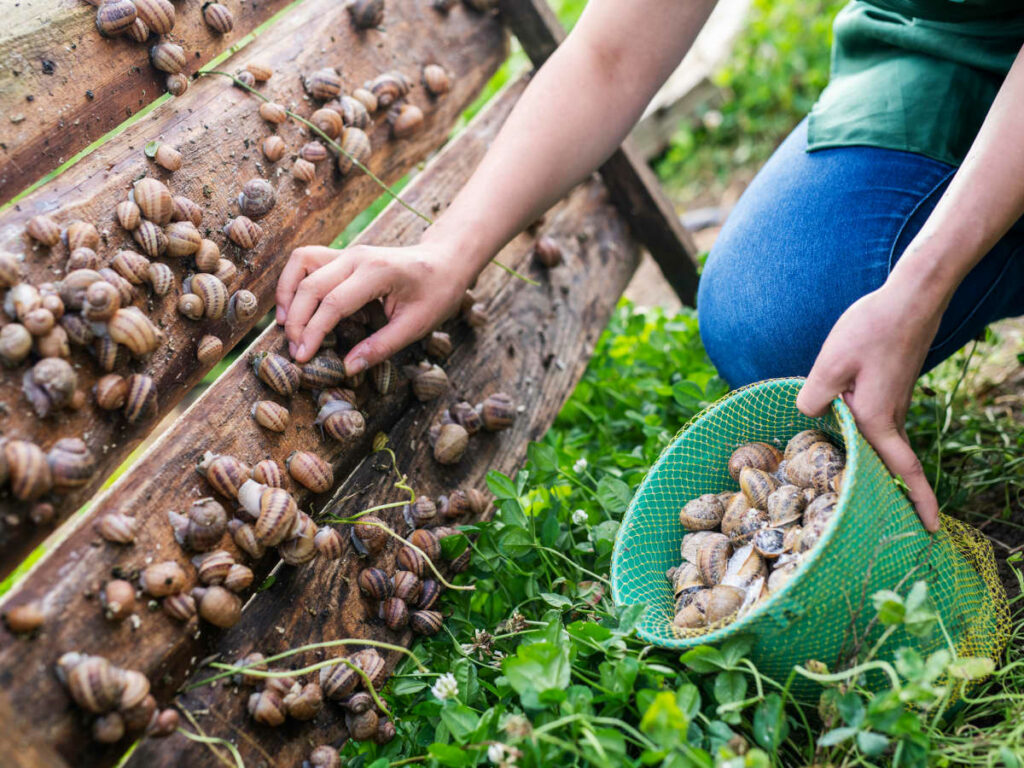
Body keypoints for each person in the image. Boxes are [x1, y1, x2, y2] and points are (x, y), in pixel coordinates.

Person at [276, 0, 1024, 532]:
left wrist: (923, 281)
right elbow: (611, 56)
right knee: (772, 317)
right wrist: (450, 250)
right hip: (941, 43)